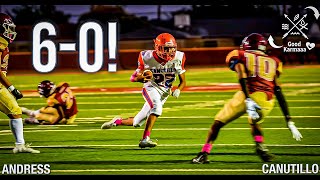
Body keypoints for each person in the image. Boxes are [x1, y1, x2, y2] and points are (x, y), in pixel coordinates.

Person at [191, 33, 303, 164]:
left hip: (249, 94)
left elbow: (242, 74)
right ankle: (261, 147)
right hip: (267, 101)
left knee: (217, 123)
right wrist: (289, 120)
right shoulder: (274, 61)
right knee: (255, 122)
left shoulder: (240, 55)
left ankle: (204, 153)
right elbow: (278, 90)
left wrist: (248, 99)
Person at [101, 32, 186, 148]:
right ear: (157, 47)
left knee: (137, 123)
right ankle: (145, 139)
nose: (169, 52)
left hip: (165, 92)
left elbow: (183, 81)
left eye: (171, 49)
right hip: (151, 87)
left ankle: (116, 121)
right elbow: (132, 77)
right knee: (156, 108)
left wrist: (178, 89)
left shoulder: (179, 57)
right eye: (166, 48)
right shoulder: (146, 57)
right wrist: (140, 78)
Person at [0, 13, 40, 153]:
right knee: (14, 110)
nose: (9, 31)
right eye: (6, 27)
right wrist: (11, 88)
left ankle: (20, 145)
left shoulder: (3, 44)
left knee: (15, 111)